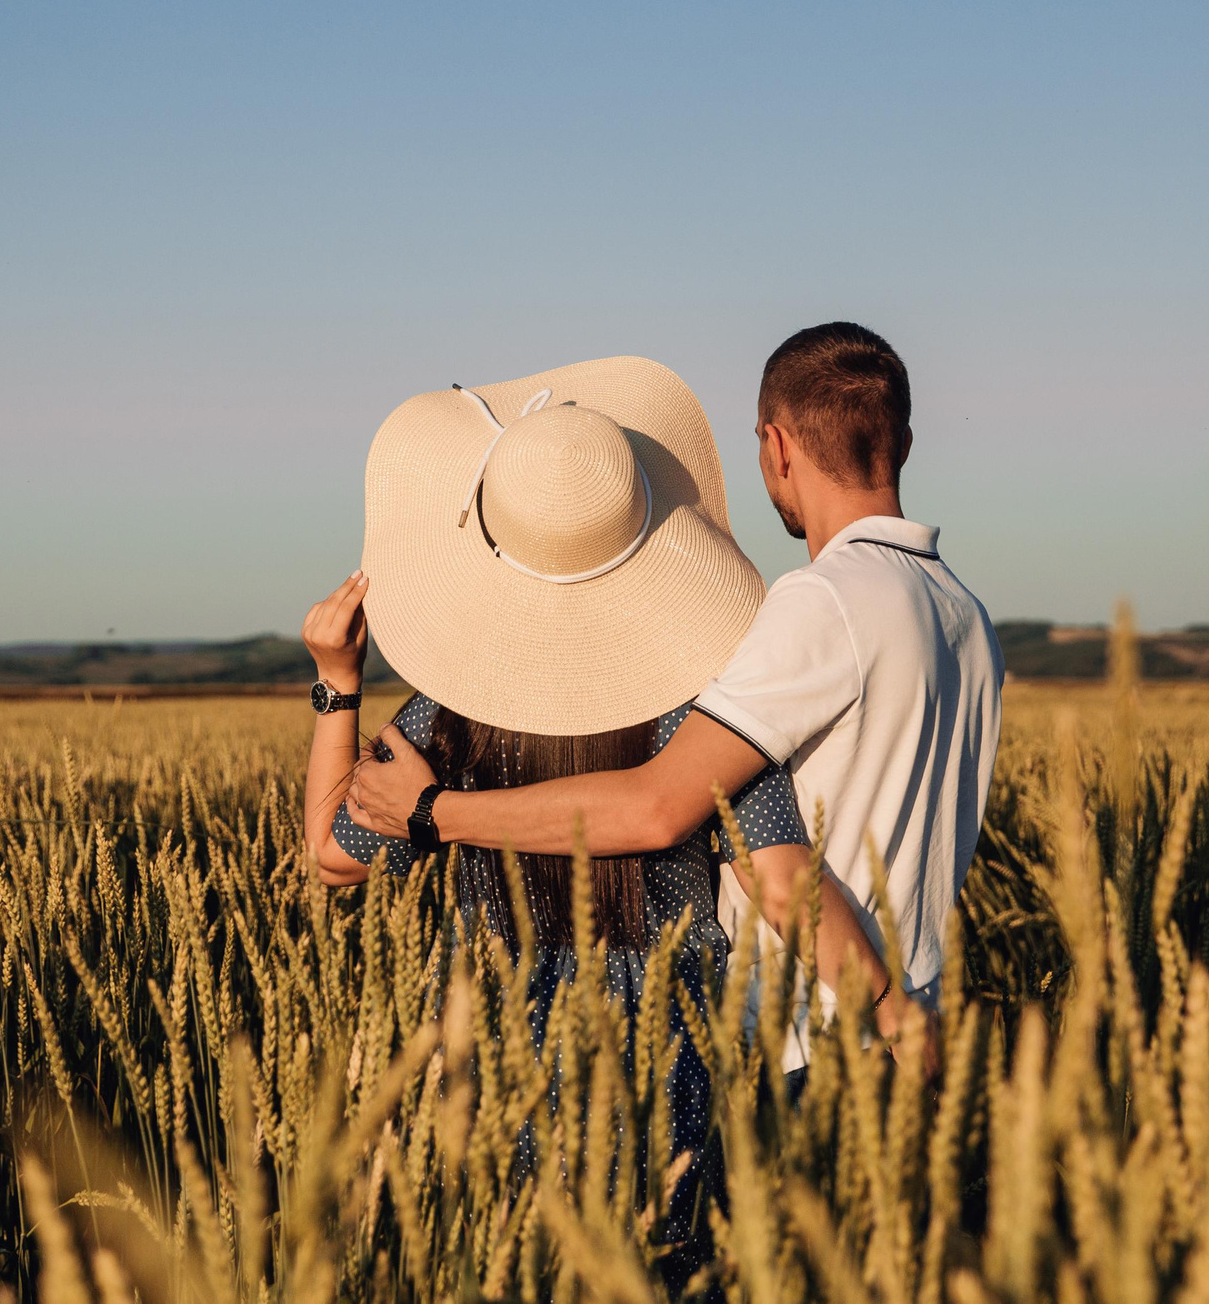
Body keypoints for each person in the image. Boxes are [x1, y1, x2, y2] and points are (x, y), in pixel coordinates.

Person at [296, 355, 895, 1285]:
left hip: (499, 1060)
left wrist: (339, 685)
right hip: (668, 1067)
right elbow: (778, 878)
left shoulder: (451, 707)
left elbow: (334, 855)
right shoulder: (707, 701)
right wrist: (894, 1010)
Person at [351, 323, 1004, 1078]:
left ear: (777, 446)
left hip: (810, 1036)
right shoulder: (967, 614)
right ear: (907, 442)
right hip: (911, 1026)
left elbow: (666, 810)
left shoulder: (821, 602)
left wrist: (434, 811)